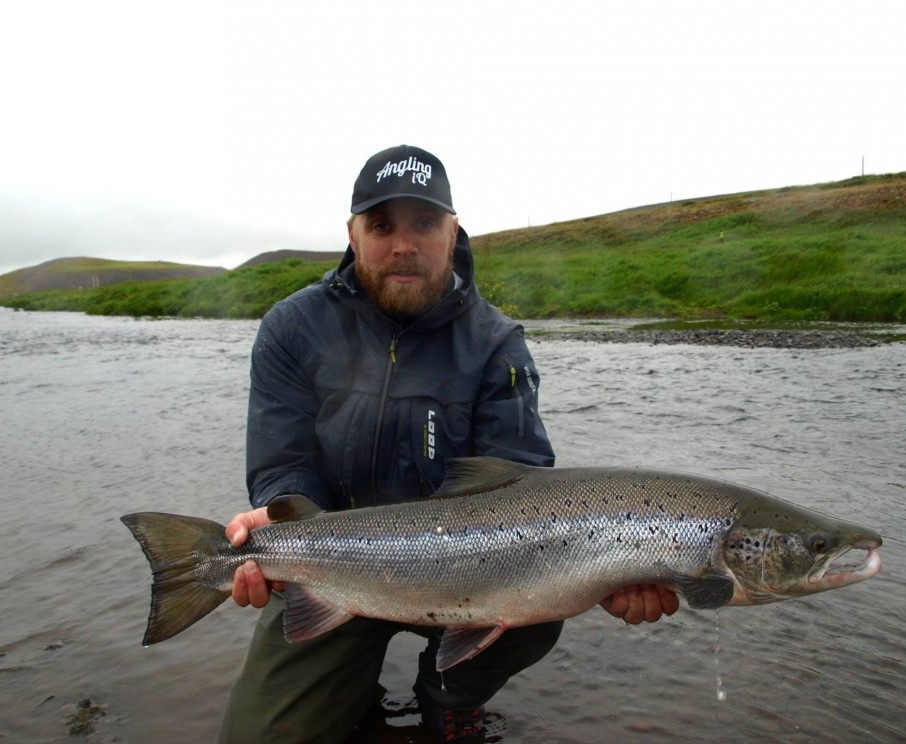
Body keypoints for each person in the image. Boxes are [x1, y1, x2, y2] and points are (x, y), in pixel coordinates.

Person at [218, 145, 679, 744]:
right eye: (382, 225)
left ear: (453, 230)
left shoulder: (495, 345)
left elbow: (523, 486)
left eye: (424, 224)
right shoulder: (293, 327)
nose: (403, 244)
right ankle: (349, 683)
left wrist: (619, 568)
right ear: (352, 235)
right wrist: (279, 518)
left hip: (478, 576)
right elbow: (285, 464)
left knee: (554, 581)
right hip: (333, 567)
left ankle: (450, 693)